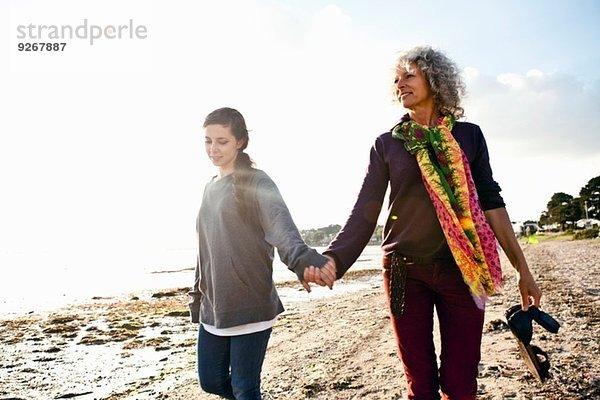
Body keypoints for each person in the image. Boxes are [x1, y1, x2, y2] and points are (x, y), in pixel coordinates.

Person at [304, 46, 542, 399]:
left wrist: (523, 269)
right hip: (403, 271)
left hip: (463, 270)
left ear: (434, 79)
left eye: (409, 75)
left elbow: (491, 203)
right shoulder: (387, 144)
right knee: (420, 383)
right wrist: (334, 260)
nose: (400, 84)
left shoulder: (469, 136)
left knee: (461, 383)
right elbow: (365, 209)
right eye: (396, 79)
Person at [190, 107, 336, 400]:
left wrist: (302, 260)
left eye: (222, 141)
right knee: (212, 382)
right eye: (208, 140)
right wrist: (198, 295)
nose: (213, 149)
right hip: (214, 307)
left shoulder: (256, 181)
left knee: (245, 388)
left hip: (250, 302)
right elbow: (205, 248)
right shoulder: (209, 187)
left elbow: (280, 226)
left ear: (240, 142)